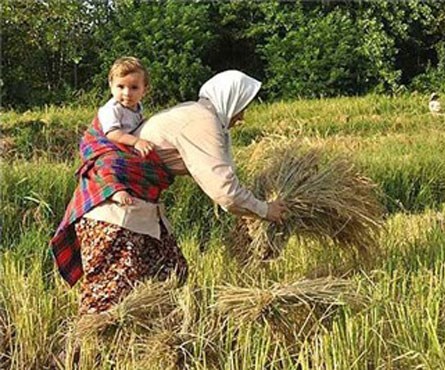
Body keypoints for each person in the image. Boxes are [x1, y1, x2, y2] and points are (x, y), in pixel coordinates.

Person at [50, 70, 287, 315]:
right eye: (243, 107)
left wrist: (249, 208)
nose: (243, 117)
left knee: (171, 275)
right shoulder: (201, 122)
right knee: (109, 300)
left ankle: (147, 343)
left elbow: (219, 174)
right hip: (115, 213)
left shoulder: (197, 114)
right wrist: (265, 210)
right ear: (231, 100)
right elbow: (224, 191)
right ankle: (86, 349)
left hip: (137, 210)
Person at [98, 56, 155, 205]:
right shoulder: (112, 109)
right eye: (120, 87)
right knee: (109, 163)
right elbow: (112, 133)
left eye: (134, 87)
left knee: (140, 165)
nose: (127, 93)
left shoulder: (138, 107)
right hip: (110, 145)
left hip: (125, 145)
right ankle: (114, 190)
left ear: (145, 89)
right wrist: (136, 142)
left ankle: (135, 189)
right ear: (111, 86)